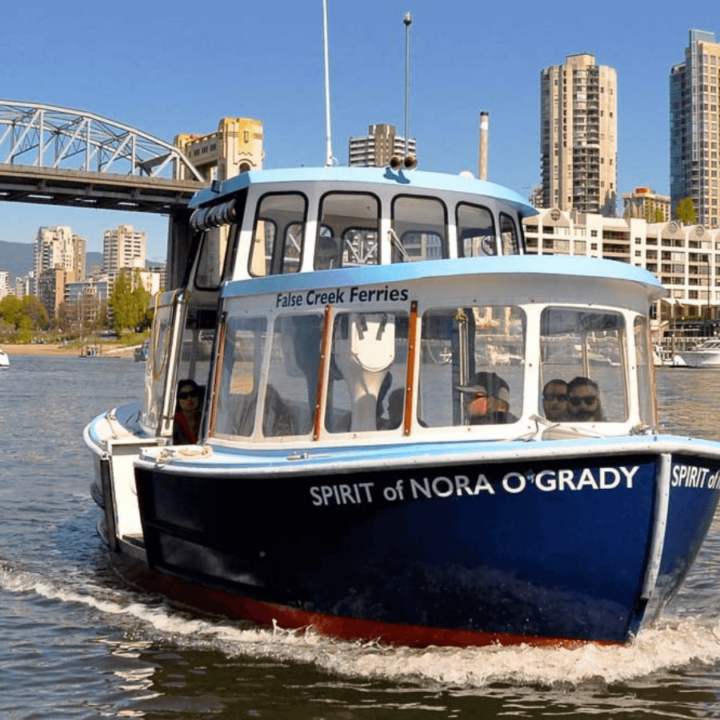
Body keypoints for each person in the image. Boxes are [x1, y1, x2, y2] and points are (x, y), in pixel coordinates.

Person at [173, 379, 203, 444]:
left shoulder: (204, 419)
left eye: (193, 394)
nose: (189, 398)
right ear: (177, 400)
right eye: (184, 396)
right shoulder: (173, 423)